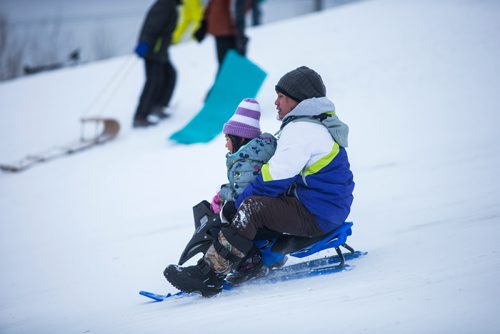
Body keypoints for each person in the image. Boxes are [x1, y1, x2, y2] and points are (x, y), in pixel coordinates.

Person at [164, 66, 355, 297]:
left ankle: (208, 274)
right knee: (258, 204)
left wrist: (238, 203)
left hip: (318, 212)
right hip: (323, 206)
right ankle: (255, 261)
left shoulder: (303, 130)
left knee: (252, 209)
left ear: (298, 99)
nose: (276, 102)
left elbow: (274, 178)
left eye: (281, 97)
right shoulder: (311, 125)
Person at [209, 98, 277, 216]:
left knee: (229, 211)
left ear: (240, 139)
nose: (226, 144)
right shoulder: (251, 157)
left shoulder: (247, 164)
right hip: (263, 207)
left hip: (258, 214)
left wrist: (222, 195)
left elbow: (241, 197)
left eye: (227, 139)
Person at [133, 0, 180, 128]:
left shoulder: (169, 5)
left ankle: (158, 107)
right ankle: (140, 115)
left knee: (170, 75)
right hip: (154, 50)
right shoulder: (165, 5)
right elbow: (151, 26)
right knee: (154, 82)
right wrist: (144, 43)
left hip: (160, 50)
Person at [193, 0, 250, 70]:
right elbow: (236, 8)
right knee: (230, 67)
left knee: (225, 66)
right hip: (229, 30)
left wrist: (204, 23)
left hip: (220, 28)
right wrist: (240, 35)